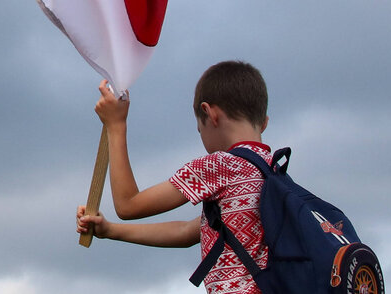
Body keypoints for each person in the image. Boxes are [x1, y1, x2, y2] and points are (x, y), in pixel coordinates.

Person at [76, 60, 272, 294]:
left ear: (209, 113)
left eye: (200, 129)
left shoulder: (219, 166)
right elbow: (187, 232)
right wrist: (110, 231)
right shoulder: (272, 170)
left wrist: (116, 126)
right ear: (264, 122)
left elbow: (128, 205)